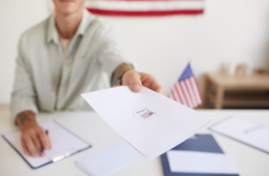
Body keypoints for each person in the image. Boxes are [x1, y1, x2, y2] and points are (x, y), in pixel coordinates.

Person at [11, 0, 163, 158]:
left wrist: (127, 74)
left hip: (90, 137)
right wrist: (28, 125)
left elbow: (114, 59)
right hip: (45, 139)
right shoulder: (28, 39)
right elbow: (21, 94)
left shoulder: (101, 32)